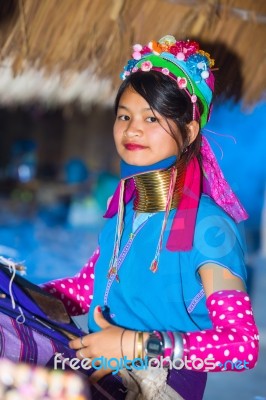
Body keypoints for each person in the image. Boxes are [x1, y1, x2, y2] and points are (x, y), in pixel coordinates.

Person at [0, 35, 259, 400]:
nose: (132, 129)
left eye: (151, 118)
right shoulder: (125, 212)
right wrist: (13, 293)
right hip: (96, 366)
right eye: (124, 115)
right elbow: (87, 288)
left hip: (158, 385)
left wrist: (135, 345)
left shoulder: (209, 228)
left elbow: (240, 347)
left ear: (189, 132)